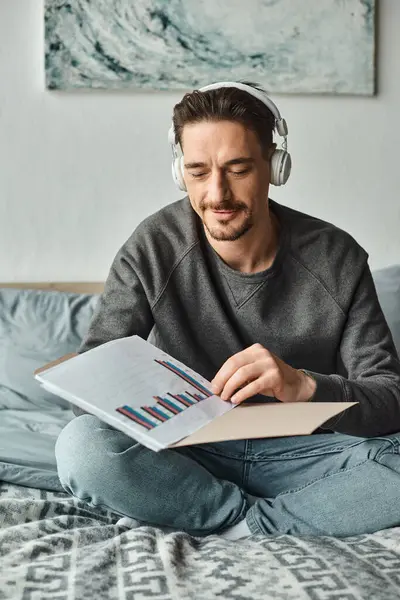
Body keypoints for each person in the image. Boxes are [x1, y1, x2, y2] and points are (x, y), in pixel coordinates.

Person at [55, 81, 400, 539]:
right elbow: (91, 394)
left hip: (303, 454)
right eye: (198, 172)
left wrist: (303, 385)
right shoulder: (152, 247)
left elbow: (389, 399)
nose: (217, 195)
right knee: (82, 448)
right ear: (181, 173)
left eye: (237, 169)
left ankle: (242, 524)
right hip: (187, 455)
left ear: (275, 167)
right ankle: (265, 519)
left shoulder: (336, 258)